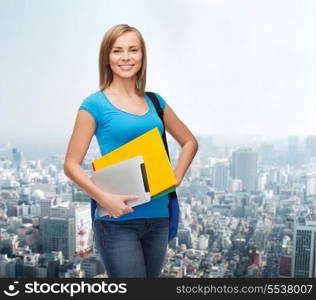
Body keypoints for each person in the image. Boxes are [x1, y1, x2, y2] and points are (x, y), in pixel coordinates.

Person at [64, 24, 198, 278]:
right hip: (117, 221)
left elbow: (189, 141)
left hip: (158, 217)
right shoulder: (95, 104)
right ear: (107, 57)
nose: (126, 57)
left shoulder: (155, 101)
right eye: (117, 51)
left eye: (133, 50)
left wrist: (175, 178)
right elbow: (71, 164)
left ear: (142, 56)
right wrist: (105, 198)